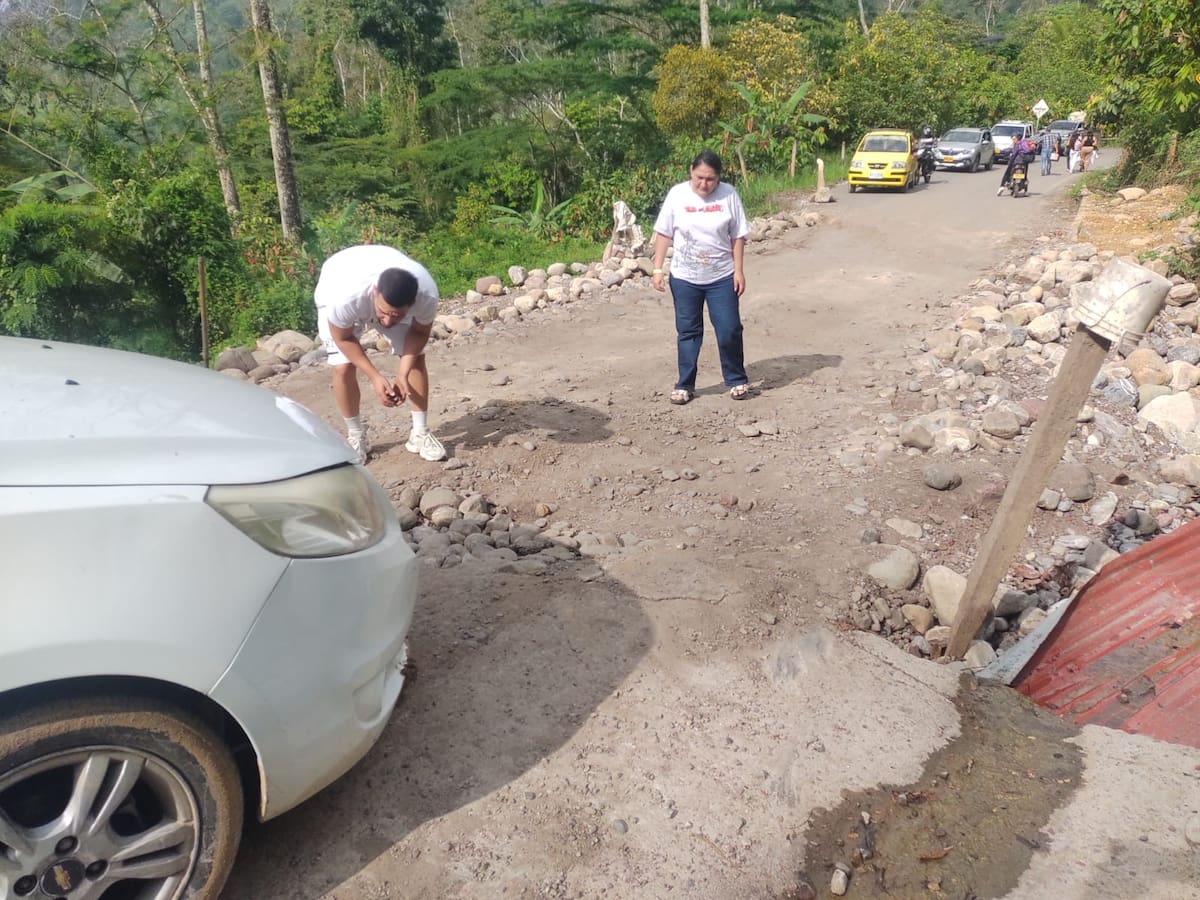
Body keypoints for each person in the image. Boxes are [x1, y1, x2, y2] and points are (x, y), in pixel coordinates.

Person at [314, 244, 447, 463]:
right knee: (342, 366)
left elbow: (419, 332)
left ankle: (420, 433)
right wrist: (375, 377)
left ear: (412, 304)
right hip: (338, 277)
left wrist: (402, 374)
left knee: (415, 359)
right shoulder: (345, 298)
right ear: (375, 291)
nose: (386, 322)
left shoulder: (426, 296)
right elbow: (343, 338)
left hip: (381, 280)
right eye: (383, 313)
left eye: (396, 316)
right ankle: (356, 435)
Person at [651, 149, 751, 404]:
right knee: (688, 331)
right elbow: (664, 232)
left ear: (719, 178)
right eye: (699, 178)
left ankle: (736, 378)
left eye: (710, 179)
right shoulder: (677, 194)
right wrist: (657, 268)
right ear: (691, 172)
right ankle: (685, 384)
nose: (704, 184)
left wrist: (738, 270)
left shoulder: (728, 194)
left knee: (729, 328)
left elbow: (738, 235)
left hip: (721, 276)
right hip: (684, 277)